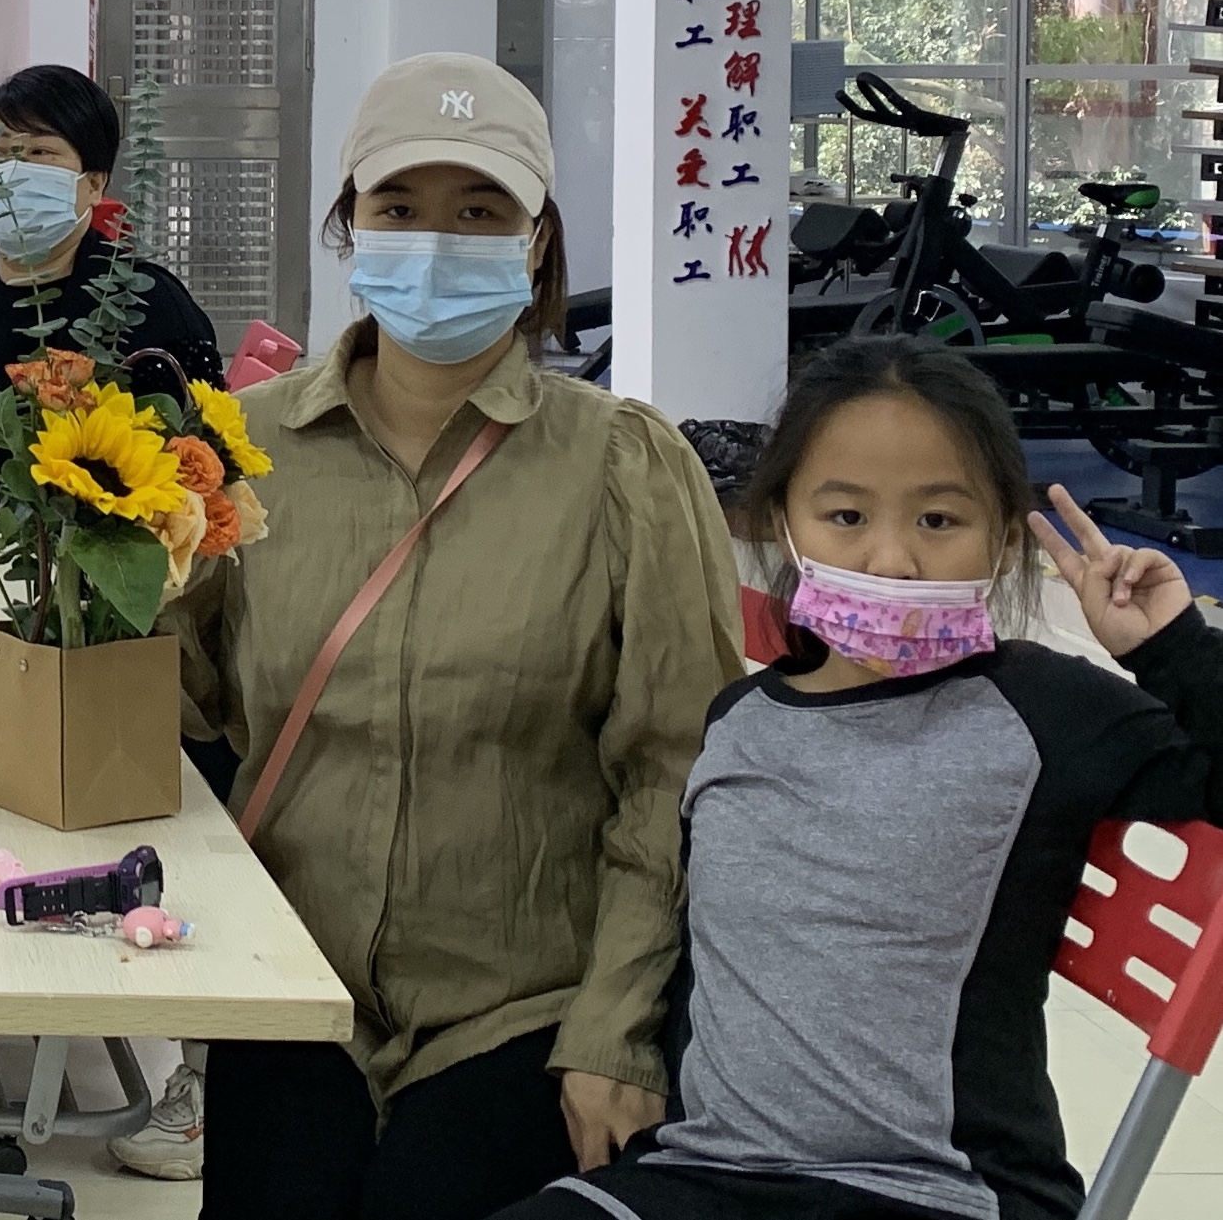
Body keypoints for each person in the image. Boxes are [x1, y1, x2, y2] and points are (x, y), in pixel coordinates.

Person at [0, 52, 743, 1220]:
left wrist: (614, 1029)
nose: (435, 240)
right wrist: (32, 697)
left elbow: (675, 769)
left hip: (524, 1002)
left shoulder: (624, 464)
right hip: (293, 981)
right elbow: (172, 691)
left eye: (479, 211)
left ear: (536, 240)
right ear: (350, 224)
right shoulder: (237, 446)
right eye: (400, 205)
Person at [489, 341, 1223, 1220]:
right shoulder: (738, 720)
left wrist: (1170, 646)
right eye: (845, 516)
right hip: (702, 1172)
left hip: (935, 1192)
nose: (891, 560)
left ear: (1002, 534)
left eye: (938, 521)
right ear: (783, 523)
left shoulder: (1048, 709)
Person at [0, 65, 221, 464]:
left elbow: (200, 455)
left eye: (39, 153)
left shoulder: (145, 304)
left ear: (94, 184)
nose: (10, 173)